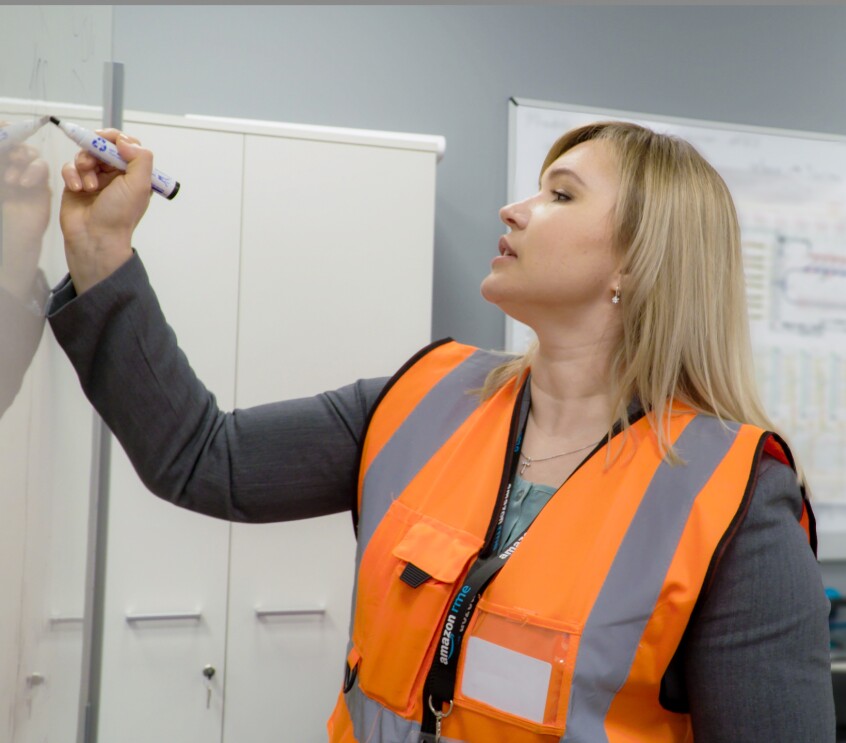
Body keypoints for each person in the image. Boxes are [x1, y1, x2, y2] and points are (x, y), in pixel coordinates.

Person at [48, 120, 835, 742]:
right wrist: (100, 249)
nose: (515, 209)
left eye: (560, 196)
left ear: (635, 261)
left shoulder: (735, 499)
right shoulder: (422, 398)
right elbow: (201, 458)